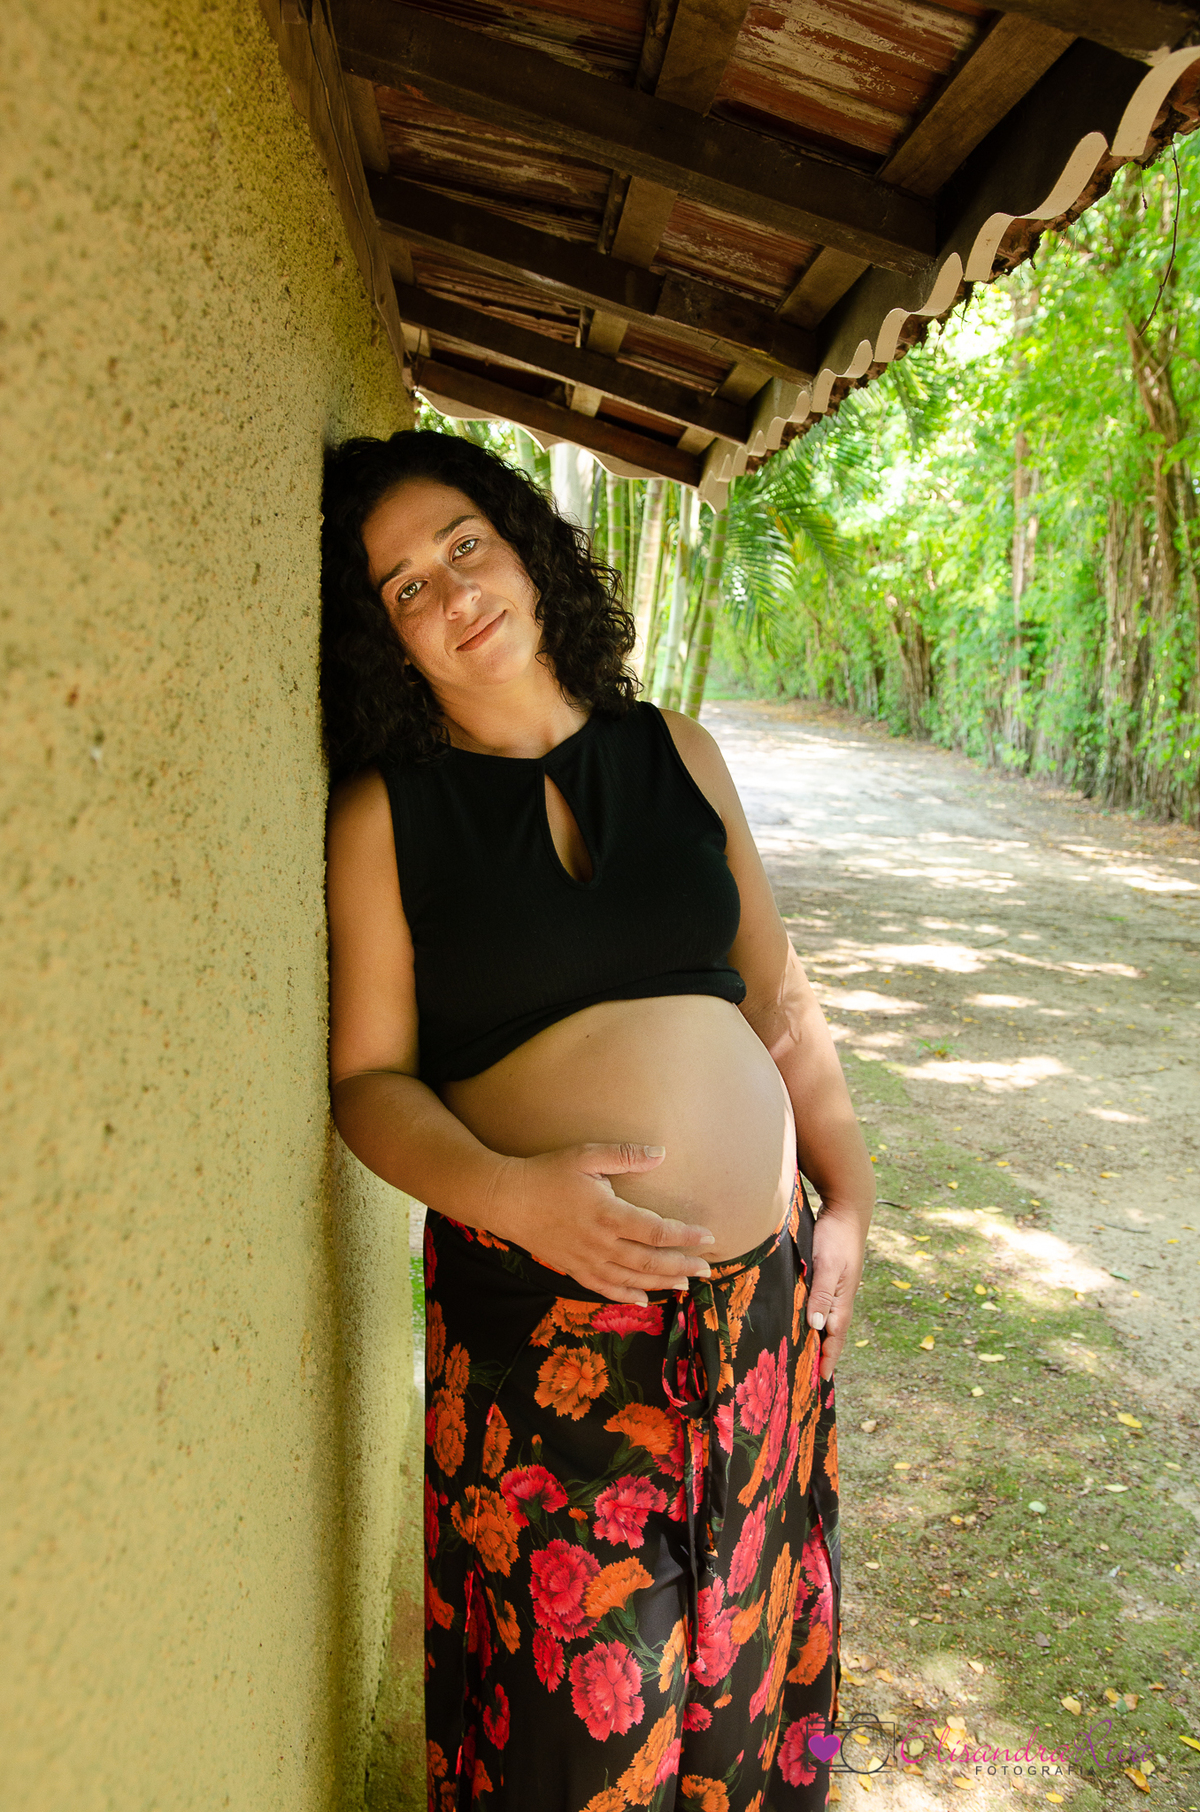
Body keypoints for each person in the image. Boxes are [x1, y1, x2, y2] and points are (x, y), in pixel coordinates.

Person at [321, 430, 874, 1812]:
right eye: (405, 587)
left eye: (464, 545)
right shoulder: (387, 817)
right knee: (576, 1728)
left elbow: (776, 996)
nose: (454, 592)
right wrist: (511, 1197)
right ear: (386, 640)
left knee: (742, 1692)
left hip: (754, 1315)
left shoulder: (676, 751)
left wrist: (851, 1197)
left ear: (523, 548)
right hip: (545, 1319)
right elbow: (369, 1084)